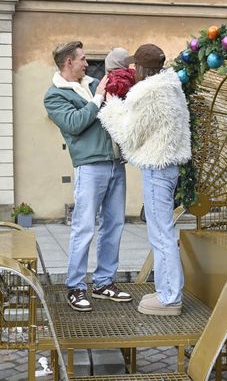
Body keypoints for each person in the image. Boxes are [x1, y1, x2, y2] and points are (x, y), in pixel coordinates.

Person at [98, 44, 191, 316]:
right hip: (168, 165)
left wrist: (110, 104)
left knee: (160, 234)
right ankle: (167, 290)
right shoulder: (171, 87)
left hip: (157, 167)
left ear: (140, 69)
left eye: (133, 66)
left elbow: (128, 135)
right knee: (162, 232)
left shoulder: (149, 94)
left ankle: (170, 296)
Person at [43, 41, 132, 312]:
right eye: (82, 59)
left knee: (114, 225)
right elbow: (75, 124)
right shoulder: (54, 96)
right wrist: (97, 98)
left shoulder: (95, 83)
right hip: (90, 166)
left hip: (116, 163)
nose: (86, 63)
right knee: (83, 227)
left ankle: (104, 282)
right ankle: (76, 286)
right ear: (68, 62)